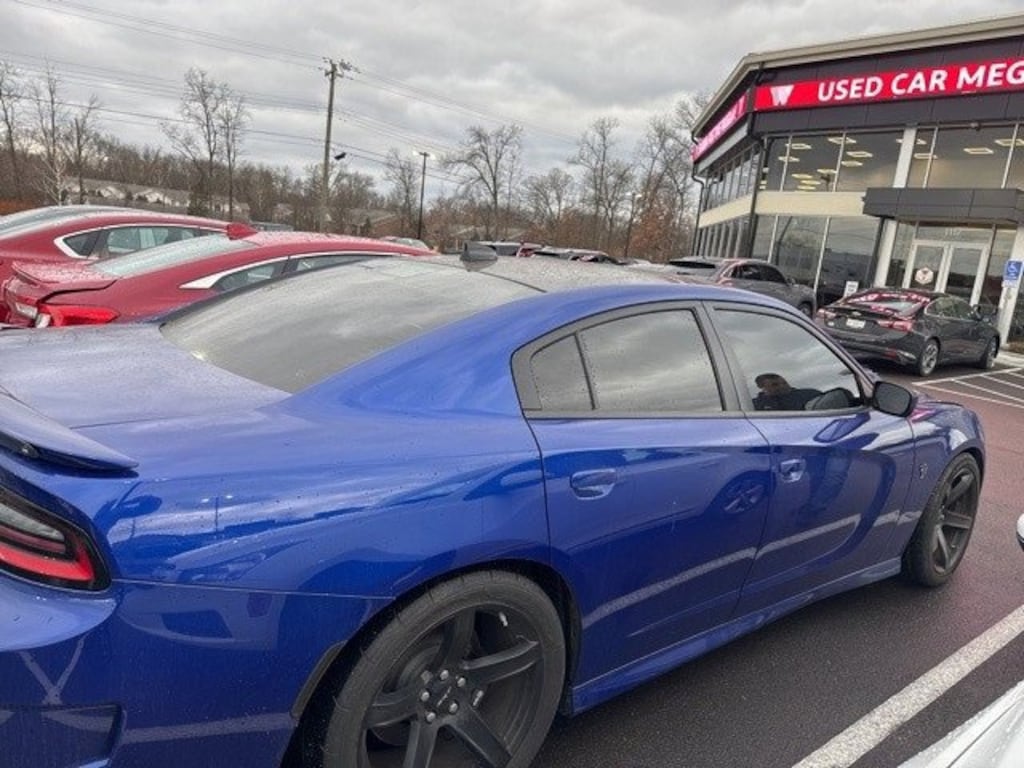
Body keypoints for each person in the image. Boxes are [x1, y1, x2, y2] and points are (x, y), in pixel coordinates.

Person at [752, 373, 821, 411]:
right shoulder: (752, 406)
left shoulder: (809, 395)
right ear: (761, 387)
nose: (782, 386)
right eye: (775, 385)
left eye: (784, 383)